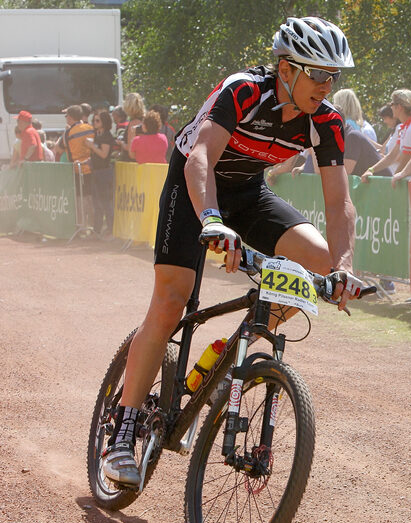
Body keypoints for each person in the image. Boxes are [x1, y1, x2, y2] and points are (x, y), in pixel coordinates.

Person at [102, 16, 365, 487]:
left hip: (246, 192)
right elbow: (200, 158)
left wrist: (344, 268)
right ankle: (122, 431)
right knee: (171, 300)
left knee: (321, 264)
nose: (327, 85)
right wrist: (211, 220)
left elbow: (339, 202)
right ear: (286, 69)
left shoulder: (326, 121)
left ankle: (227, 361)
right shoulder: (243, 91)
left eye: (334, 76)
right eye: (318, 74)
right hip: (195, 185)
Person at [360, 89, 411, 181]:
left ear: (399, 107)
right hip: (404, 181)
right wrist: (371, 170)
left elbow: (406, 161)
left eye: (392, 104)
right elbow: (392, 156)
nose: (390, 107)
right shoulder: (404, 127)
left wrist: (394, 178)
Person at [56, 104, 95, 226]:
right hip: (92, 168)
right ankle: (93, 225)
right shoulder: (90, 127)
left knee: (79, 199)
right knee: (91, 198)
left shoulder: (68, 133)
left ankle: (81, 225)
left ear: (70, 117)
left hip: (77, 170)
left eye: (66, 116)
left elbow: (59, 148)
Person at [85, 110, 116, 236]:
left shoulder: (106, 136)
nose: (95, 122)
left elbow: (104, 154)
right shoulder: (98, 134)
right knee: (97, 203)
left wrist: (92, 146)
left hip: (104, 172)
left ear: (104, 121)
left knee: (105, 203)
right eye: (94, 120)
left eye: (97, 120)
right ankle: (97, 230)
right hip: (96, 171)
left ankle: (110, 229)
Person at [118, 92, 145, 161]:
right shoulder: (144, 120)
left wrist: (121, 143)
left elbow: (130, 147)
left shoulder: (134, 123)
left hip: (131, 162)